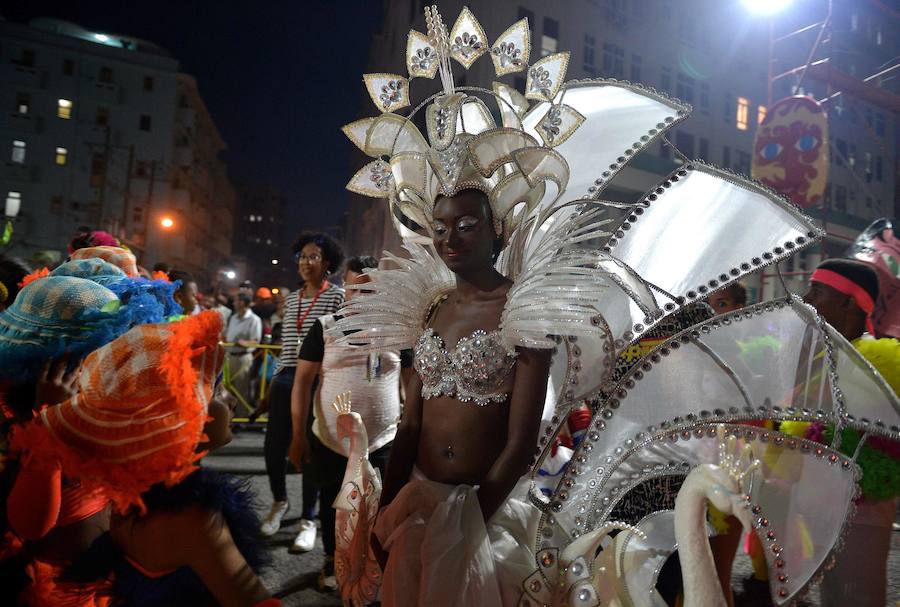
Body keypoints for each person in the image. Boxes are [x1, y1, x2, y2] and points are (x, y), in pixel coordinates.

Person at [8, 314, 279, 607]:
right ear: (176, 416)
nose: (232, 400)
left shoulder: (132, 497)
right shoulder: (191, 517)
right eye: (216, 389)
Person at [783, 257, 900, 607]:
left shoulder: (878, 362)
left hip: (861, 511)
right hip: (815, 507)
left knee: (855, 596)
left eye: (818, 291)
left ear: (848, 302)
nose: (806, 298)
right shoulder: (821, 354)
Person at [288, 255, 409, 591]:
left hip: (382, 438)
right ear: (345, 288)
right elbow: (302, 383)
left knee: (379, 506)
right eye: (356, 289)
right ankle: (333, 558)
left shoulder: (399, 331)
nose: (361, 297)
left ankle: (371, 564)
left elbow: (412, 384)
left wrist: (412, 430)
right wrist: (297, 435)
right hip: (331, 439)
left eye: (370, 291)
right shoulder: (325, 327)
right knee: (334, 502)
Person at [254, 233, 344, 553]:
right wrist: (273, 383)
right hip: (285, 378)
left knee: (310, 449)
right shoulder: (292, 299)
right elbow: (286, 346)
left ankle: (308, 518)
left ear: (327, 263)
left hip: (317, 380)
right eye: (302, 257)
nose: (306, 262)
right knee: (272, 447)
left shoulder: (337, 297)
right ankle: (279, 502)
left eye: (313, 256)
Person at [224, 292, 263, 407]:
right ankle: (229, 415)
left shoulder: (254, 319)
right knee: (226, 389)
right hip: (229, 356)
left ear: (242, 303)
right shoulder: (233, 317)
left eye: (235, 300)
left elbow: (256, 342)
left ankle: (241, 416)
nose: (233, 303)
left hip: (243, 358)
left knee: (241, 390)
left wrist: (244, 343)